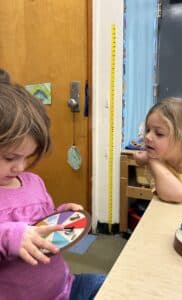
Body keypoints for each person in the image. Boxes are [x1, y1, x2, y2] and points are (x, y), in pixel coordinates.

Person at [0, 69, 105, 300]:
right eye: (10, 158)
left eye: (27, 157)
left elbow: (41, 226)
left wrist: (60, 218)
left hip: (65, 289)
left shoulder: (33, 182)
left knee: (105, 284)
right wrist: (10, 237)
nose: (20, 167)